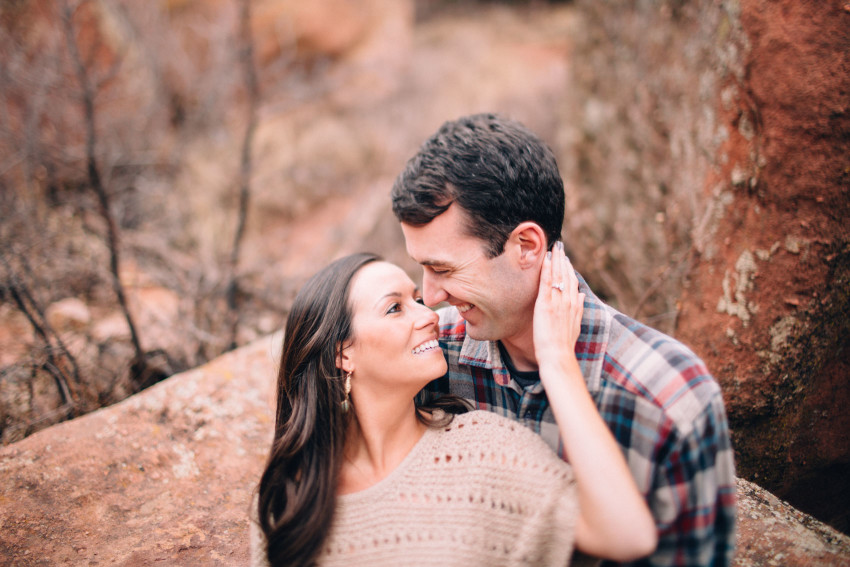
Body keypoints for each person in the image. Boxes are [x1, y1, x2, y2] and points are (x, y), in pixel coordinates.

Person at [391, 113, 737, 567]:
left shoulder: (670, 400)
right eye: (422, 268)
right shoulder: (434, 357)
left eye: (444, 269)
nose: (431, 296)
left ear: (527, 246)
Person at [251, 251, 657, 566]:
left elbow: (627, 534)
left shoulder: (485, 447)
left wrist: (558, 363)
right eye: (395, 308)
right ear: (343, 354)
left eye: (416, 299)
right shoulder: (288, 496)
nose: (429, 316)